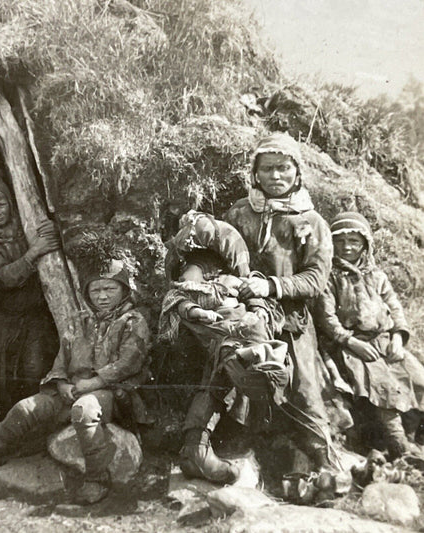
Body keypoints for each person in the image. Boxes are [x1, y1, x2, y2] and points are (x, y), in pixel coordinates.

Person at [0, 255, 150, 505]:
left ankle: (97, 478)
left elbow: (128, 363)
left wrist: (93, 384)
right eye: (95, 290)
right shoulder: (79, 321)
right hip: (71, 388)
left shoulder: (133, 321)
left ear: (124, 290)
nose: (102, 296)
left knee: (85, 410)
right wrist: (61, 383)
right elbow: (62, 357)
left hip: (109, 392)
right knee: (25, 408)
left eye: (110, 288)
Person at [225, 132, 336, 468]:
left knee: (303, 394)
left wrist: (271, 287)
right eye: (268, 169)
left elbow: (315, 280)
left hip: (291, 323)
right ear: (255, 174)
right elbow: (220, 256)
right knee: (233, 386)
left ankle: (327, 466)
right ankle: (238, 460)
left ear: (297, 172)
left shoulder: (311, 221)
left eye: (284, 168)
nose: (276, 176)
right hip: (245, 318)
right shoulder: (239, 214)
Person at [159, 211, 288, 484]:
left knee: (252, 327)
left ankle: (261, 360)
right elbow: (178, 298)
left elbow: (254, 296)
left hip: (237, 324)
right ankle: (249, 362)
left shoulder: (235, 277)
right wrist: (196, 312)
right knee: (228, 348)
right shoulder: (191, 278)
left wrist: (258, 307)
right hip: (211, 330)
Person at [315, 211, 424, 459]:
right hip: (354, 344)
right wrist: (350, 341)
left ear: (365, 244)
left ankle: (415, 436)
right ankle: (401, 449)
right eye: (340, 242)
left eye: (354, 241)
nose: (347, 247)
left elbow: (394, 307)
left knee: (418, 378)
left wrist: (398, 338)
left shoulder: (377, 276)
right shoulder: (330, 277)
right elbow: (326, 318)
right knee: (383, 388)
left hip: (385, 340)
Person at [0, 163, 59, 414]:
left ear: (11, 204)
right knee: (3, 373)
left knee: (34, 367)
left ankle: (35, 417)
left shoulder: (27, 225)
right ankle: (9, 420)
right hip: (3, 316)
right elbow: (3, 277)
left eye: (2, 205)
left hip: (34, 313)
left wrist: (53, 231)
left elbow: (52, 239)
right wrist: (33, 253)